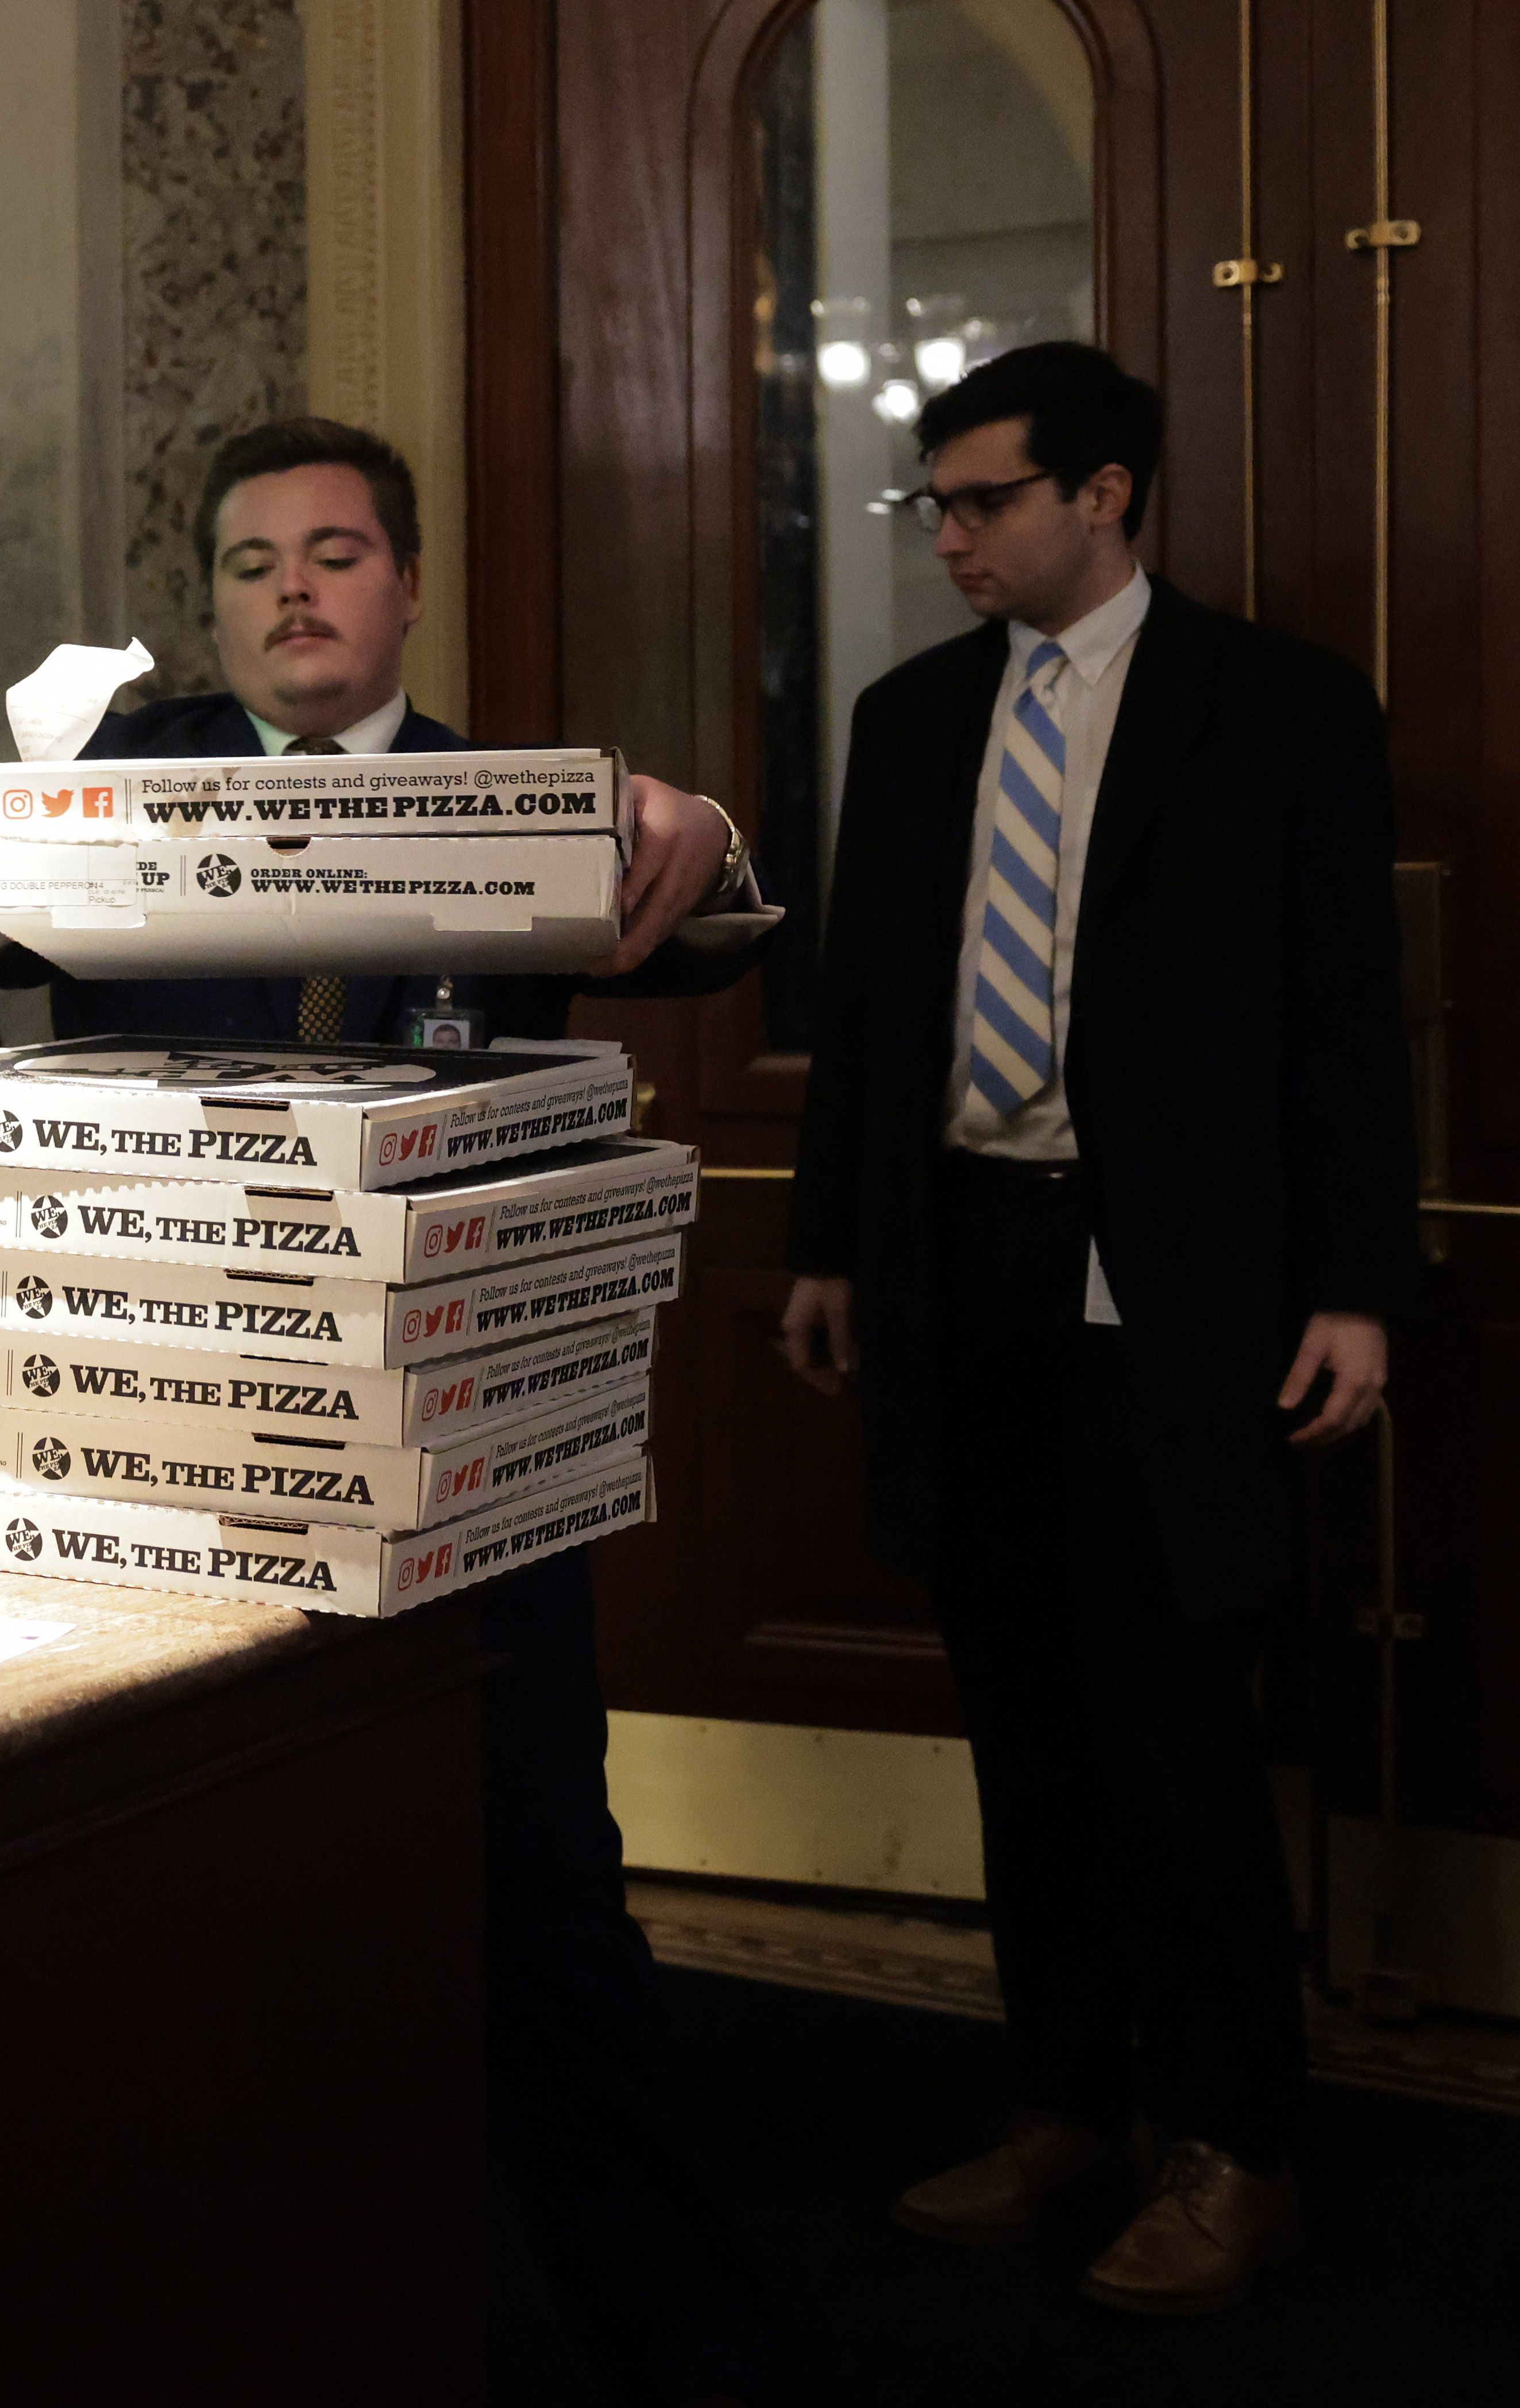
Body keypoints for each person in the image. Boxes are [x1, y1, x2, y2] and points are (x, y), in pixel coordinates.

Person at [0, 417, 776, 2407]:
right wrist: (1, 823)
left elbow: (727, 915)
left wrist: (699, 825)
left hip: (468, 1454)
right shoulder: (116, 800)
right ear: (211, 607)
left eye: (333, 553)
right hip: (179, 1442)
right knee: (209, 1912)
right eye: (248, 563)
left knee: (538, 1898)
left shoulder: (522, 804)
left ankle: (662, 2333)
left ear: (402, 585)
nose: (293, 589)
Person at [780, 342, 1412, 2316]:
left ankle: (1242, 2143)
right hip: (964, 1273)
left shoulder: (1277, 710)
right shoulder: (908, 721)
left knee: (1174, 1743)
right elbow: (869, 1013)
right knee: (1022, 1728)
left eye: (987, 501)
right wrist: (827, 1246)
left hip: (1178, 1290)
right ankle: (1069, 2102)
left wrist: (1359, 1284)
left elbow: (1343, 1017)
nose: (952, 536)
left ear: (1110, 492)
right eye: (936, 507)